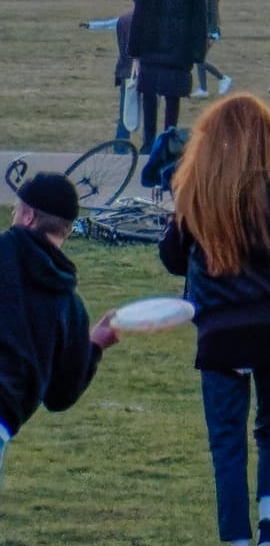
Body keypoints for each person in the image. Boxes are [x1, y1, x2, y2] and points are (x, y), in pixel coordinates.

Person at [159, 95, 270, 546]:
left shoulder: (197, 186)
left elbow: (173, 257)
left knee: (227, 441)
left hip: (219, 329)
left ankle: (235, 537)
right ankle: (268, 526)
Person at [0, 174, 121, 495]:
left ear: (27, 216)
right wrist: (94, 345)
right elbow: (60, 396)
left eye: (15, 211)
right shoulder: (71, 308)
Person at [129, 0, 209, 155]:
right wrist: (135, 47)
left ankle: (167, 140)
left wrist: (196, 51)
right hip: (152, 46)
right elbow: (140, 12)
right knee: (148, 94)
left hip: (178, 50)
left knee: (173, 97)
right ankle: (148, 141)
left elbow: (198, 17)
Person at [82, 0, 138, 139]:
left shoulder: (124, 19)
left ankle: (120, 148)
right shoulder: (151, 21)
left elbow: (110, 24)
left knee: (124, 113)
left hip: (125, 71)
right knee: (148, 115)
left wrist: (91, 25)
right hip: (142, 71)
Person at [194, 0, 233, 98]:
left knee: (199, 60)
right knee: (199, 60)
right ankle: (205, 88)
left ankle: (221, 79)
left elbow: (214, 18)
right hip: (199, 33)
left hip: (209, 33)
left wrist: (212, 35)